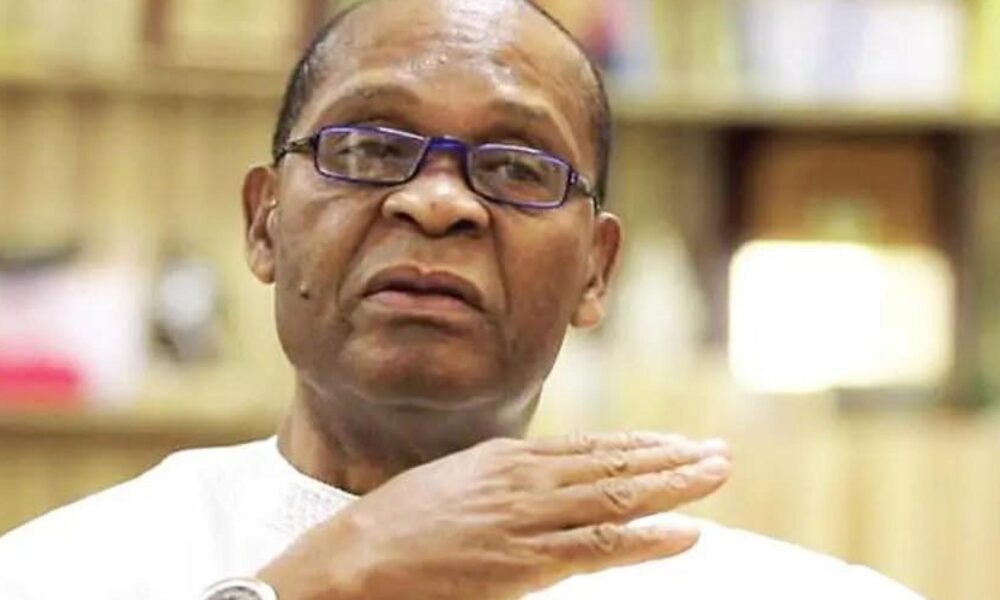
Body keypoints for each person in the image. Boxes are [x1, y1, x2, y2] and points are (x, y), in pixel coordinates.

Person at [0, 1, 923, 598]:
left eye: (518, 167)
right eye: (369, 148)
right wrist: (327, 578)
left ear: (595, 272)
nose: (437, 202)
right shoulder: (63, 571)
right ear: (264, 223)